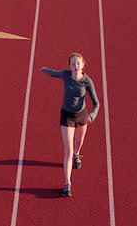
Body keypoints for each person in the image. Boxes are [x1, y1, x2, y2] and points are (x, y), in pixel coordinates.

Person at [40, 52, 100, 197]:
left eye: (78, 63)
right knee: (68, 148)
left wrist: (92, 115)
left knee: (79, 142)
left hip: (82, 115)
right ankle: (67, 184)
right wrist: (42, 69)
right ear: (70, 66)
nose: (75, 66)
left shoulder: (87, 82)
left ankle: (77, 155)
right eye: (73, 63)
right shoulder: (65, 75)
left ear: (83, 65)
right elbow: (53, 73)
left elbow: (96, 103)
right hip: (67, 116)